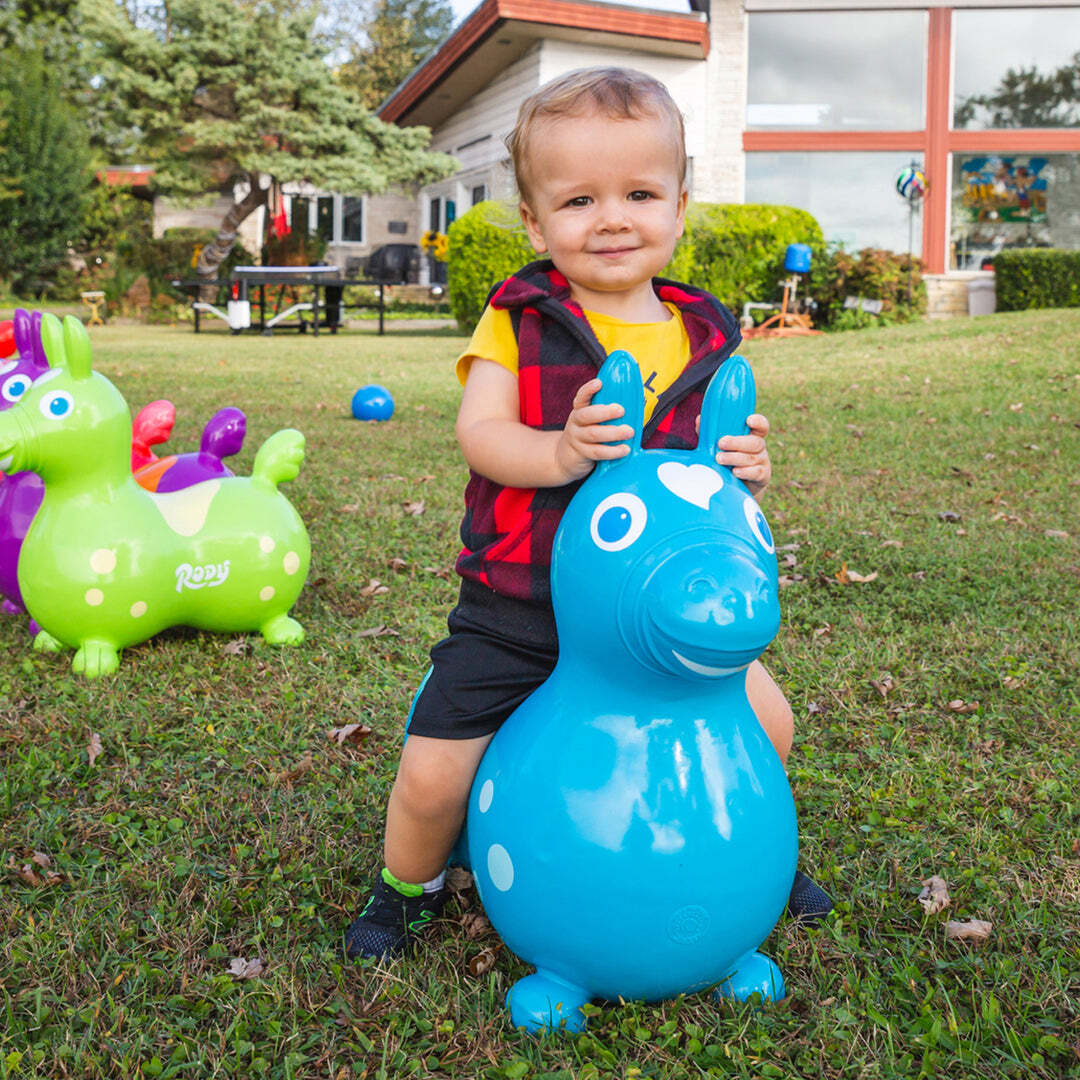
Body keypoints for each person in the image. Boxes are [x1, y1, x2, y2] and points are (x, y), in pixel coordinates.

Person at [345, 67, 831, 961]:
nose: (612, 219)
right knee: (432, 768)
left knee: (769, 724)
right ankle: (404, 885)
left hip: (656, 619)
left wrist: (746, 471)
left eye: (640, 193)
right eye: (578, 200)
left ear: (681, 205)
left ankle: (749, 852)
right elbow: (480, 433)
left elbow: (706, 484)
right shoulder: (520, 318)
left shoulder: (705, 333)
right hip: (519, 602)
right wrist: (560, 454)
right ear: (534, 222)